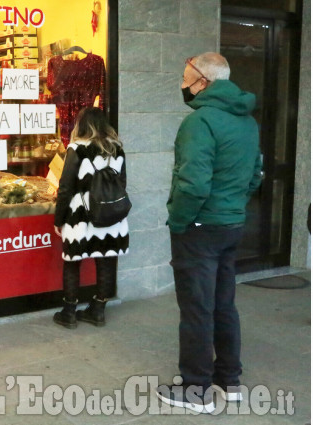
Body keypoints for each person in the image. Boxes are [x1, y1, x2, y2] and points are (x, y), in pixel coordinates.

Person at [156, 52, 263, 413]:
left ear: (204, 81)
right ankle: (228, 379)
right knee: (223, 303)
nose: (183, 86)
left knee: (197, 308)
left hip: (200, 228)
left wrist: (179, 220)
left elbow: (193, 184)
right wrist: (233, 206)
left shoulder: (200, 123)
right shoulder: (247, 121)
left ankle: (195, 389)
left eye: (186, 79)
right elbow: (254, 176)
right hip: (231, 224)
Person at [53, 107, 129, 329]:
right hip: (110, 214)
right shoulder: (117, 150)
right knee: (107, 259)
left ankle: (69, 312)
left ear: (82, 125)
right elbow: (122, 184)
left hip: (81, 214)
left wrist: (59, 219)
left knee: (73, 261)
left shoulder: (76, 149)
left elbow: (65, 187)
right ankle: (98, 310)